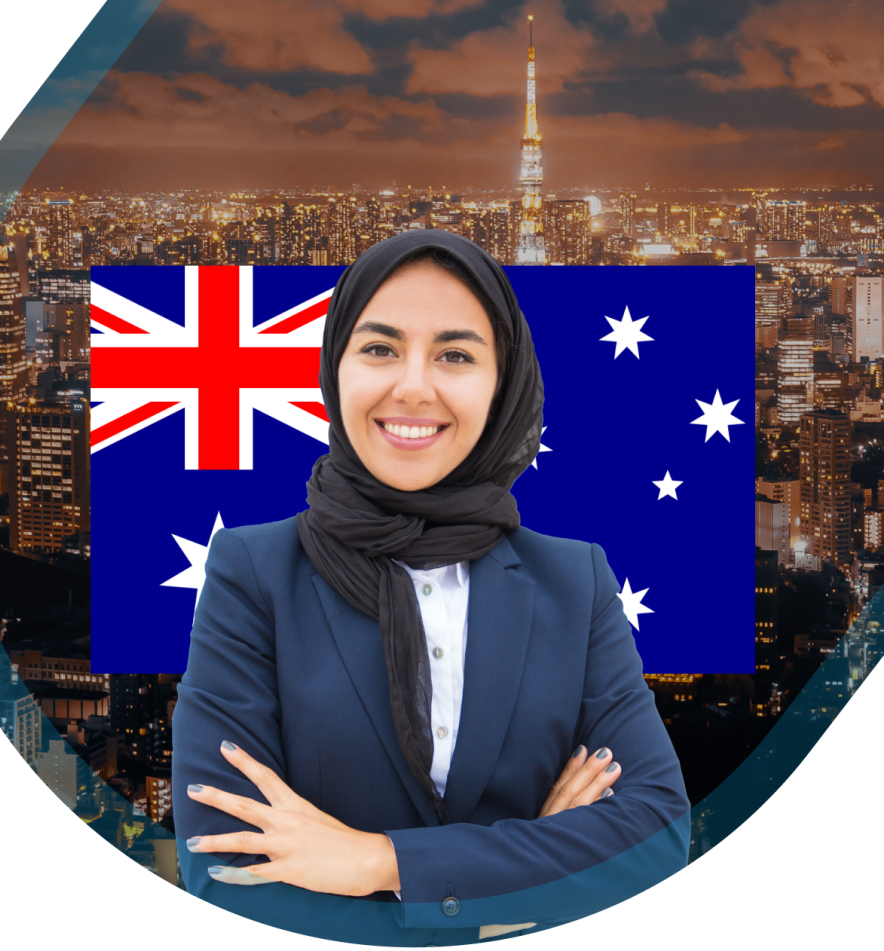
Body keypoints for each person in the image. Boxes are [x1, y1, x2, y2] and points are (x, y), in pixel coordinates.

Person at [171, 230, 690, 941]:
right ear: (335, 368)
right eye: (379, 348)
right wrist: (513, 904)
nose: (413, 387)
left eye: (455, 355)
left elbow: (656, 839)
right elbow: (223, 873)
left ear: (502, 385)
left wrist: (379, 861)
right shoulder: (253, 573)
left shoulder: (576, 582)